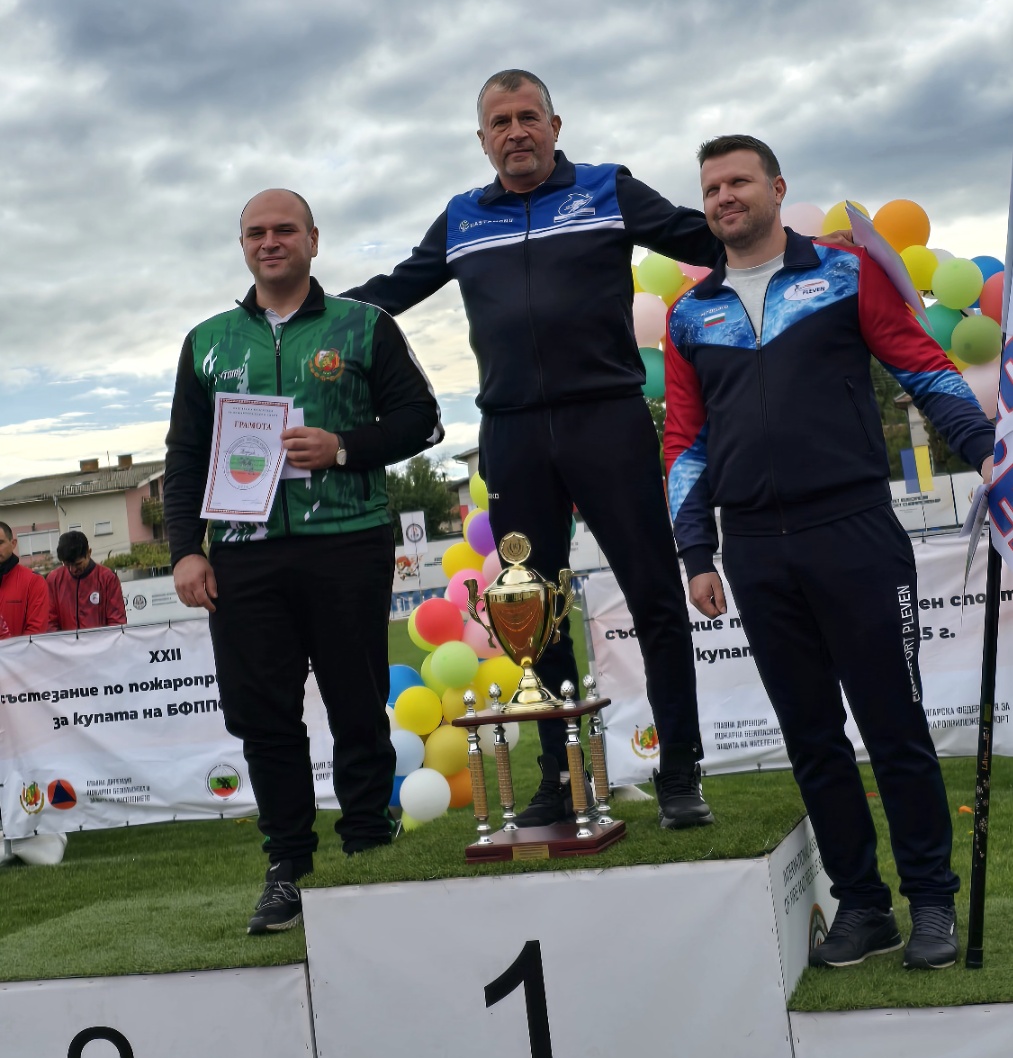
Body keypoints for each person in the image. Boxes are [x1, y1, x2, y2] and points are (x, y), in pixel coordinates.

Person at [343, 69, 718, 830]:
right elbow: (393, 290)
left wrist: (802, 243)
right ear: (482, 139)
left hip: (607, 420)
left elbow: (708, 235)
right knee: (530, 612)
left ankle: (680, 771)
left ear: (554, 125)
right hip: (511, 432)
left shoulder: (608, 189)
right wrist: (307, 313)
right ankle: (563, 777)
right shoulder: (460, 217)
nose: (515, 131)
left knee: (653, 595)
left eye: (527, 117)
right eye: (499, 122)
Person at [664, 133, 995, 971]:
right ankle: (863, 906)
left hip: (853, 530)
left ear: (776, 189)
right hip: (754, 549)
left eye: (738, 181)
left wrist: (985, 452)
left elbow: (923, 367)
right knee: (811, 738)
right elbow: (685, 443)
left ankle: (930, 901)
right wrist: (696, 549)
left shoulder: (846, 274)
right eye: (710, 187)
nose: (723, 197)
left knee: (893, 726)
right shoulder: (689, 313)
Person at [164, 188, 443, 935]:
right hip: (243, 556)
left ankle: (367, 846)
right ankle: (287, 865)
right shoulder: (207, 341)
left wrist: (343, 447)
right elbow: (185, 455)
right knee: (263, 715)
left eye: (284, 229)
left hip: (346, 541)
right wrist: (186, 549)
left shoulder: (364, 324)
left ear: (313, 240)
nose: (270, 241)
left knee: (356, 702)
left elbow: (422, 420)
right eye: (256, 232)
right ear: (243, 246)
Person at [47, 531, 127, 631]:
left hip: (101, 640)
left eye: (78, 564)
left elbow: (117, 622)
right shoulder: (54, 579)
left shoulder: (107, 578)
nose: (72, 569)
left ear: (89, 553)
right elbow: (50, 621)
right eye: (67, 564)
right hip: (65, 641)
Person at [0, 523, 50, 636]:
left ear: (13, 543)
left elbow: (36, 631)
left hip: (20, 648)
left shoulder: (34, 581)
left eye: (0, 543)